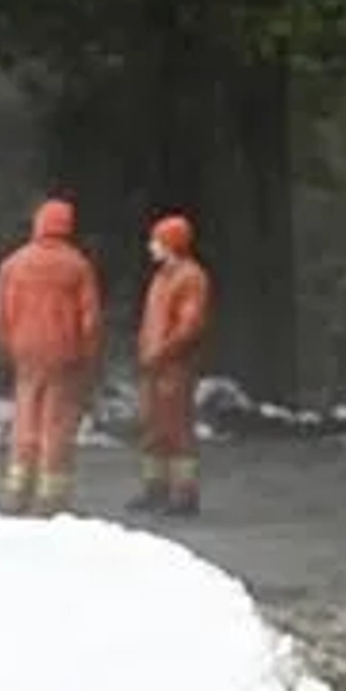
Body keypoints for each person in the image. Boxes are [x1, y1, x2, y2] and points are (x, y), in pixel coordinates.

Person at [0, 195, 103, 515]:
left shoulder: (13, 263)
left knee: (25, 419)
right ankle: (50, 497)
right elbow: (89, 319)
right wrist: (88, 356)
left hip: (26, 353)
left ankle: (17, 491)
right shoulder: (78, 266)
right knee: (56, 423)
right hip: (64, 356)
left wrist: (10, 345)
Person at [129, 212, 213, 517]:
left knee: (176, 429)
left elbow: (188, 326)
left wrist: (161, 352)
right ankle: (155, 488)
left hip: (174, 365)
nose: (151, 246)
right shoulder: (162, 277)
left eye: (156, 240)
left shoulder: (191, 277)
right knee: (153, 427)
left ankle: (184, 494)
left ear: (171, 244)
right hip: (156, 363)